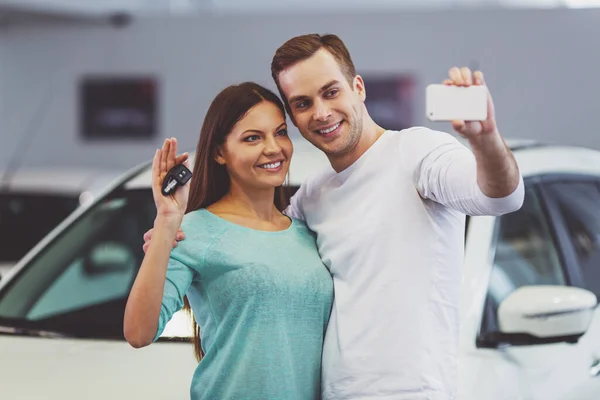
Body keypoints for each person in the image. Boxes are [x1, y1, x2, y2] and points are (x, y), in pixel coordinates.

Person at [146, 34, 524, 400]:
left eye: (331, 92)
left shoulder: (417, 152)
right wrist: (169, 239)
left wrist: (485, 138)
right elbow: (256, 248)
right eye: (302, 103)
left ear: (357, 87)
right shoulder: (313, 195)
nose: (321, 113)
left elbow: (499, 196)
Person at [124, 82, 334, 400]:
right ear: (220, 153)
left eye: (279, 132)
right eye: (252, 138)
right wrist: (166, 222)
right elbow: (139, 332)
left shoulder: (308, 233)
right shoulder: (194, 230)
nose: (274, 148)